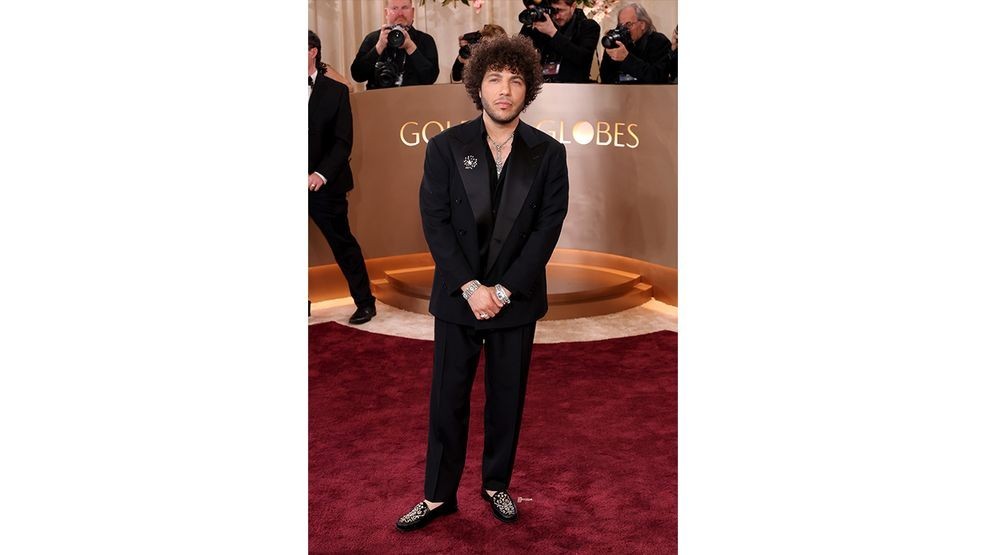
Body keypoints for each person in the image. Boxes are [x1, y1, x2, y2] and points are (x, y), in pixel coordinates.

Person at [395, 34, 569, 532]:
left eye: (516, 80)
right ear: (478, 87)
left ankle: (496, 484)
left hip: (515, 300)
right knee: (447, 397)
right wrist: (472, 288)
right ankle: (436, 496)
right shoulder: (446, 147)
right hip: (458, 297)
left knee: (506, 398)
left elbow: (546, 231)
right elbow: (436, 224)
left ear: (528, 89)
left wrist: (504, 290)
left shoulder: (549, 153)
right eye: (495, 78)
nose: (505, 89)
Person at [309, 30, 376, 325]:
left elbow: (342, 141)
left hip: (326, 184)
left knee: (343, 244)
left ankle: (365, 302)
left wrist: (320, 174)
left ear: (313, 51)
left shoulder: (335, 91)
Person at [350, 0, 440, 89]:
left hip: (414, 99)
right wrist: (379, 47)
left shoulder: (425, 40)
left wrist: (411, 47)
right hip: (379, 100)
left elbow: (430, 78)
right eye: (394, 8)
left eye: (404, 8)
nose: (400, 13)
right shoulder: (373, 39)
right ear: (386, 13)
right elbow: (357, 76)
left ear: (413, 12)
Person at [518, 0, 600, 83]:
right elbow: (518, 51)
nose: (556, 16)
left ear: (573, 6)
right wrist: (531, 21)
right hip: (542, 87)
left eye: (560, 10)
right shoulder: (543, 26)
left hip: (574, 89)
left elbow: (583, 58)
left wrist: (553, 33)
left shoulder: (589, 27)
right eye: (553, 11)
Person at [599, 2, 673, 84]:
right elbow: (605, 78)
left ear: (642, 25)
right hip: (620, 94)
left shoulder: (659, 42)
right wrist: (610, 48)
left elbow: (657, 77)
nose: (624, 30)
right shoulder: (618, 43)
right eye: (621, 25)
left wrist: (626, 59)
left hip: (650, 95)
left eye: (629, 24)